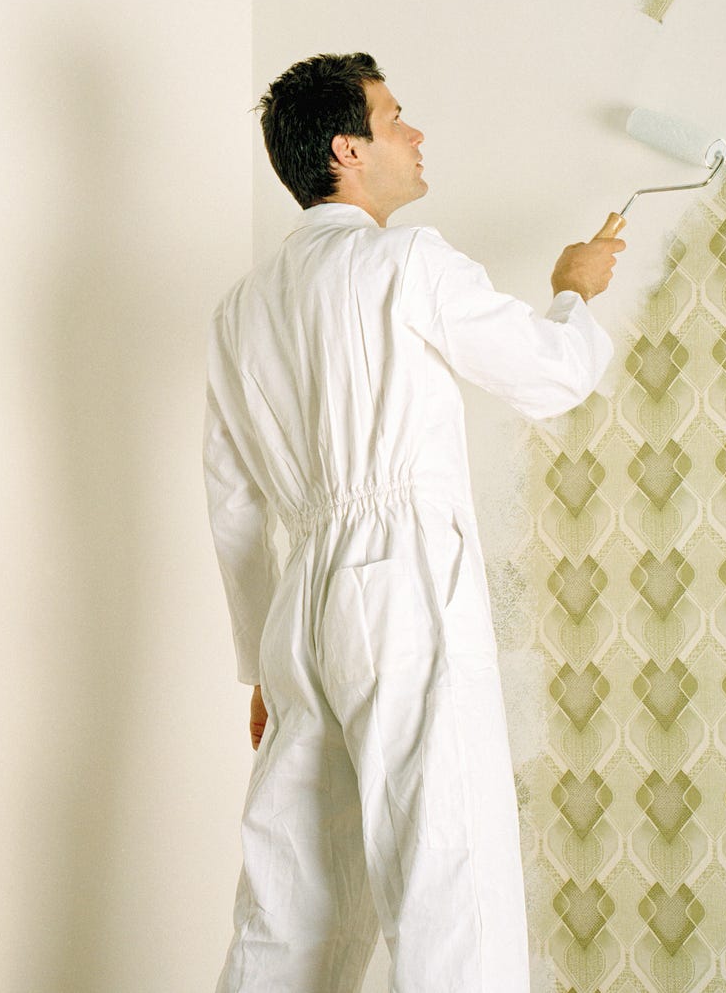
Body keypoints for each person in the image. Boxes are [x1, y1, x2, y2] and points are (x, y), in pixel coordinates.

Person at [202, 52, 625, 992]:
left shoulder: (239, 311)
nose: (415, 133)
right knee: (449, 879)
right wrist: (574, 290)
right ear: (347, 149)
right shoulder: (403, 259)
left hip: (299, 615)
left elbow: (232, 506)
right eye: (396, 119)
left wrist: (260, 664)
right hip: (399, 585)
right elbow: (549, 375)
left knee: (290, 896)